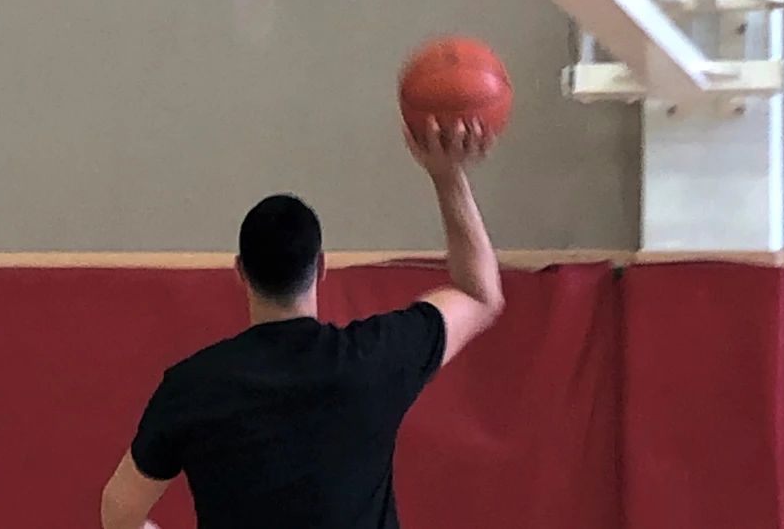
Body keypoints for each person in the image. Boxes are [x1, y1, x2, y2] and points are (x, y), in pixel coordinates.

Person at [100, 117, 505, 529]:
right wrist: (448, 176)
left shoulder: (191, 387)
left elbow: (118, 511)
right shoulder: (373, 360)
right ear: (321, 266)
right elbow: (479, 294)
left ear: (240, 271)